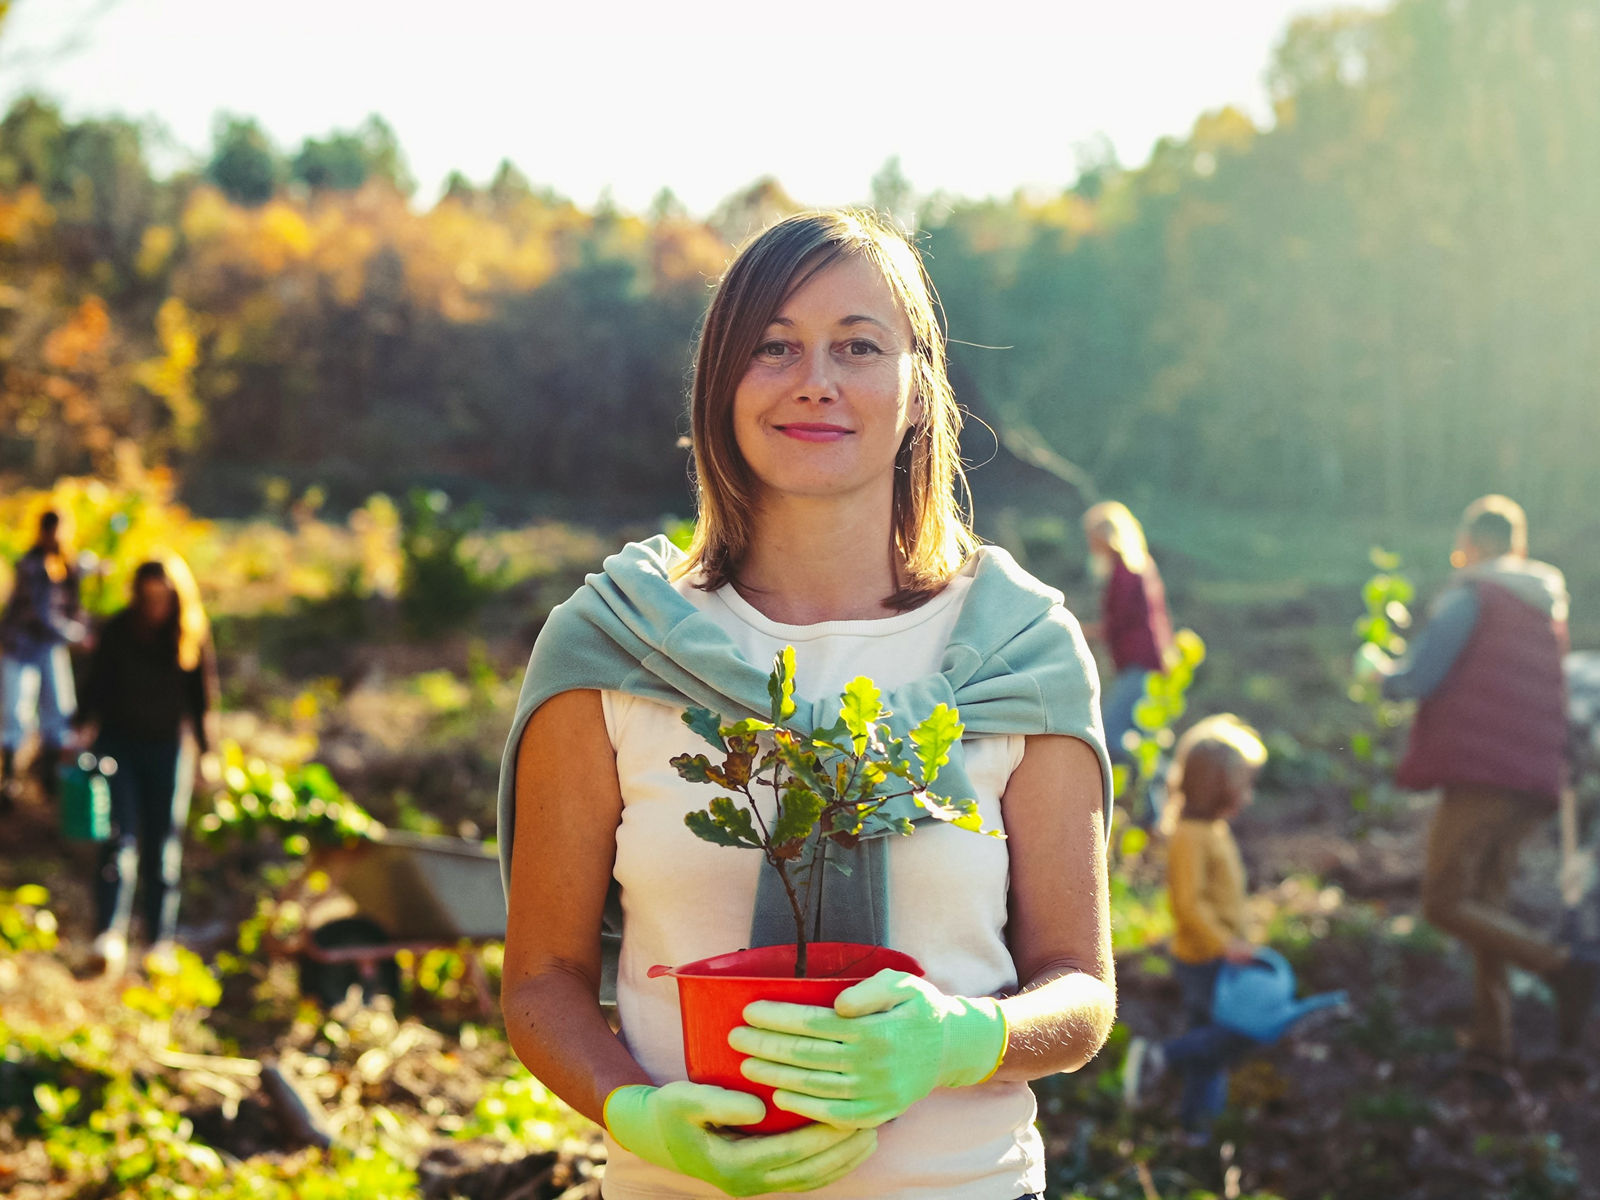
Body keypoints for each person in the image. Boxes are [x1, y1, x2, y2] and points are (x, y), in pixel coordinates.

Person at [498, 210, 1117, 1200]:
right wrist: (640, 1115)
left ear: (918, 388)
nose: (813, 379)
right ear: (720, 384)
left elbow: (1078, 991)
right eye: (773, 346)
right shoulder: (614, 645)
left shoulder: (1018, 648)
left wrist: (962, 1037)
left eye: (858, 346)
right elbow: (539, 983)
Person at [1364, 494, 1599, 1066]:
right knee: (1485, 904)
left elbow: (1420, 676)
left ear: (1470, 544)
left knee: (1444, 902)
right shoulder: (1545, 607)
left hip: (1482, 778)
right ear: (1517, 546)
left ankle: (1562, 969)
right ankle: (1494, 1040)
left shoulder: (1473, 596)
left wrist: (1378, 673)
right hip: (1537, 781)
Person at [1122, 714, 1266, 1137]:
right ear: (1217, 787)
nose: (1249, 796)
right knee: (1227, 1035)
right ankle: (1159, 1057)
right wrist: (1225, 944)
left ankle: (1197, 1128)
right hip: (1205, 958)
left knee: (1212, 1044)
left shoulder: (1213, 830)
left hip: (1221, 953)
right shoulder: (1190, 836)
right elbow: (1187, 905)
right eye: (1244, 786)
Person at [74, 554, 216, 975]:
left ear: (175, 597)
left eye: (163, 596)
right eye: (148, 596)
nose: (155, 604)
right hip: (118, 746)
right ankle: (109, 934)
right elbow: (96, 684)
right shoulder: (119, 629)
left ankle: (158, 942)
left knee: (162, 847)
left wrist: (208, 753)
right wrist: (80, 728)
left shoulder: (189, 633)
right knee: (119, 838)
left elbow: (202, 698)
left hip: (167, 749)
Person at [1, 509, 90, 808]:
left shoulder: (67, 565)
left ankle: (50, 777)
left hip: (49, 647)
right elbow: (40, 614)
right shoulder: (31, 564)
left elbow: (73, 603)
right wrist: (76, 634)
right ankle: (9, 779)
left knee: (60, 708)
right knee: (16, 711)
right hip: (22, 645)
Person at [1081, 501, 1173, 768]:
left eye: (1092, 536)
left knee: (1111, 735)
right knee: (1140, 735)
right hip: (1147, 662)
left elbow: (1119, 621)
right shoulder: (1139, 566)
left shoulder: (1125, 571)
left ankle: (1160, 774)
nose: (1090, 543)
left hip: (1139, 663)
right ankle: (1151, 798)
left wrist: (1082, 631)